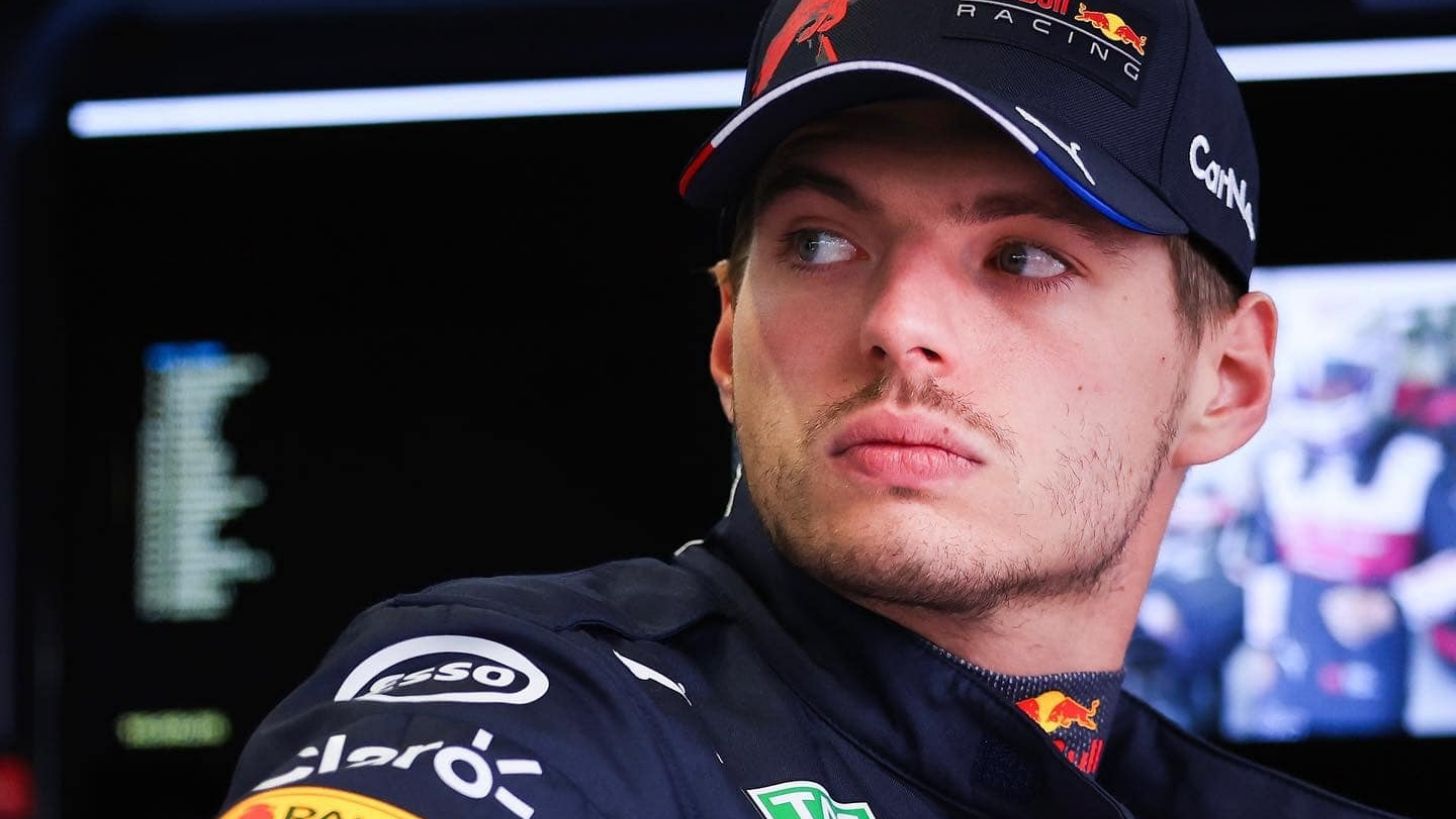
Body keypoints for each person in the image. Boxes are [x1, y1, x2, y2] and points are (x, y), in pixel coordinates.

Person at [217, 0, 1399, 816]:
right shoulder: (519, 701)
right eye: (821, 241)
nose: (896, 320)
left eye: (1025, 257)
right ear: (728, 336)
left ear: (1226, 381)